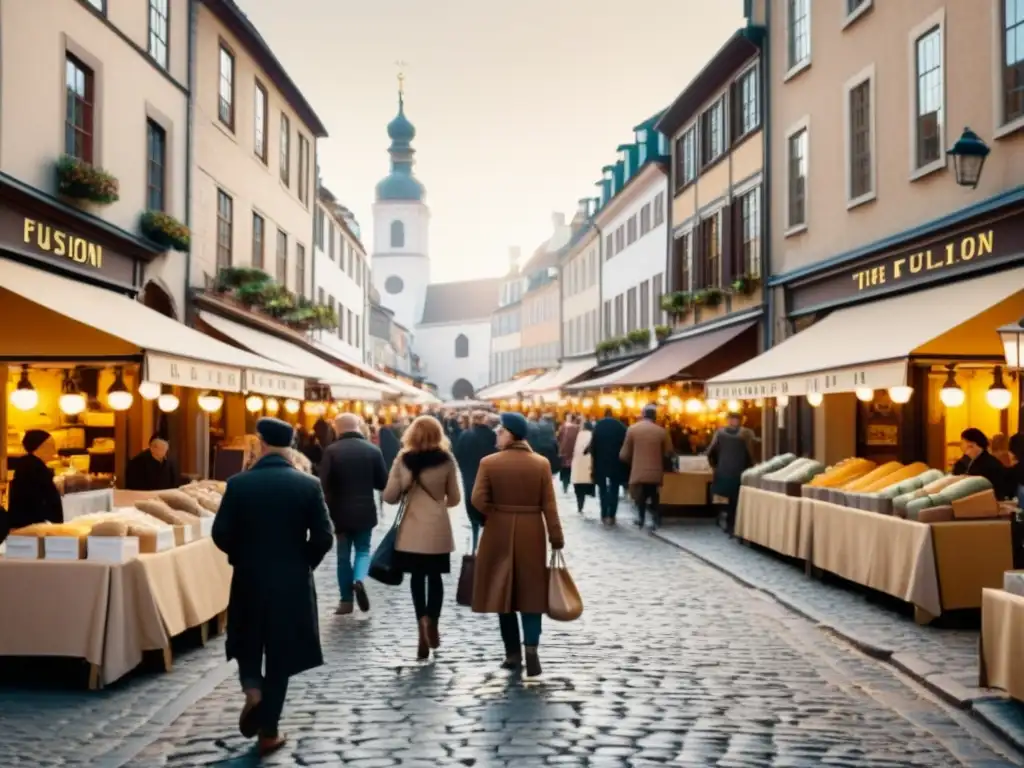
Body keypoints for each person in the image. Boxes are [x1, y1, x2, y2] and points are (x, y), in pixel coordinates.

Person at [212, 418, 333, 757]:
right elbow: (324, 536)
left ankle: (252, 688)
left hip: (250, 577)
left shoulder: (238, 484)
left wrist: (242, 555)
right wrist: (303, 562)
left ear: (261, 444)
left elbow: (220, 533)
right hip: (290, 581)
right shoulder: (308, 485)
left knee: (247, 636)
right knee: (280, 654)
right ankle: (269, 733)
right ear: (290, 446)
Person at [471, 412, 564, 678]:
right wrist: (556, 537)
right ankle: (532, 648)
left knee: (504, 592)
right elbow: (549, 504)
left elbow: (477, 499)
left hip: (498, 530)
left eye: (500, 430)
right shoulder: (541, 464)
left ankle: (512, 654)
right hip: (531, 530)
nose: (496, 434)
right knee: (532, 592)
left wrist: (496, 512)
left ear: (511, 433)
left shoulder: (489, 463)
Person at [382, 415, 461, 660]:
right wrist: (438, 503)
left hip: (411, 529)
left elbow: (389, 497)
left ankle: (421, 631)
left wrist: (406, 485)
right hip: (437, 529)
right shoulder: (447, 461)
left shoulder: (403, 460)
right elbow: (455, 498)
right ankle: (433, 623)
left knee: (417, 579)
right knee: (435, 578)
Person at [320, 413, 388, 615]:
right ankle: (359, 578)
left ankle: (346, 601)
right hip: (365, 511)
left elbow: (323, 484)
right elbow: (382, 483)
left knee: (343, 556)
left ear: (337, 428)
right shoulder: (373, 450)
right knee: (363, 550)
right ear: (358, 426)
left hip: (339, 512)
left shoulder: (331, 451)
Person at [620, 404, 674, 530]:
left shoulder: (632, 429)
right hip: (655, 471)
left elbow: (624, 454)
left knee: (641, 496)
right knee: (654, 495)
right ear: (655, 417)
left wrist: (632, 463)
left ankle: (641, 518)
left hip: (638, 471)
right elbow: (669, 452)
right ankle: (656, 519)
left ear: (643, 415)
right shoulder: (661, 431)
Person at [453, 410, 497, 552]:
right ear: (484, 419)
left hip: (469, 477)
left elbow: (457, 454)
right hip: (488, 477)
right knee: (487, 508)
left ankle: (474, 540)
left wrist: (464, 469)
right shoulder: (492, 435)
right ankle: (488, 543)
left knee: (472, 509)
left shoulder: (465, 435)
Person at [707, 412, 756, 535]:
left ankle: (725, 518)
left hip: (725, 470)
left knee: (724, 496)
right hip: (737, 470)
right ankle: (729, 522)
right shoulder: (746, 433)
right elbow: (752, 453)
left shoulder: (720, 433)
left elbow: (710, 452)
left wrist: (714, 465)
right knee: (733, 499)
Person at [8, 430, 63, 530]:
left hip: (25, 524)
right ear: (40, 447)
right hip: (34, 526)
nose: (54, 451)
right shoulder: (36, 469)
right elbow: (45, 500)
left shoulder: (26, 465)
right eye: (51, 446)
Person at [587, 408, 628, 526]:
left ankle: (604, 513)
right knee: (614, 488)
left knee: (602, 489)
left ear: (604, 415)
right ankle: (612, 514)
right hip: (616, 462)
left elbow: (593, 445)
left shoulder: (598, 426)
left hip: (601, 462)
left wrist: (593, 462)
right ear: (613, 415)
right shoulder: (620, 426)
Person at [952, 428, 1011, 497]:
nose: (961, 446)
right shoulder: (971, 460)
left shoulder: (988, 464)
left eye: (963, 442)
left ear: (971, 444)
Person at [571, 420, 595, 515]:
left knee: (578, 488)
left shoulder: (579, 435)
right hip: (588, 465)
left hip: (577, 464)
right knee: (585, 485)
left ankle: (579, 506)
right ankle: (581, 505)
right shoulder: (592, 435)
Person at [556, 415, 580, 495]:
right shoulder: (577, 429)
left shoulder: (563, 427)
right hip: (573, 452)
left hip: (564, 452)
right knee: (572, 470)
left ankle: (565, 486)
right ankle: (573, 486)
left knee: (565, 470)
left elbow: (558, 438)